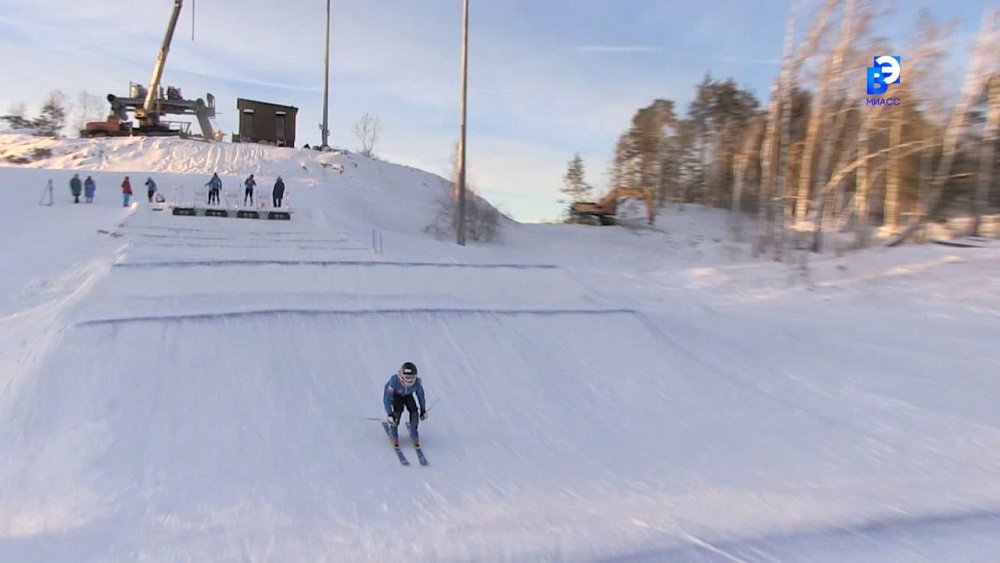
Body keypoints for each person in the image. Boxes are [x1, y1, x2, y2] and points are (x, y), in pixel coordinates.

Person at [382, 362, 427, 447]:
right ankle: (393, 431)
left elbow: (420, 395)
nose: (409, 381)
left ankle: (414, 431)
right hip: (396, 395)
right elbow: (387, 399)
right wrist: (390, 414)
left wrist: (423, 409)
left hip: (407, 395)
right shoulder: (394, 381)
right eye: (407, 378)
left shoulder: (417, 383)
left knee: (414, 410)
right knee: (398, 409)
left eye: (412, 378)